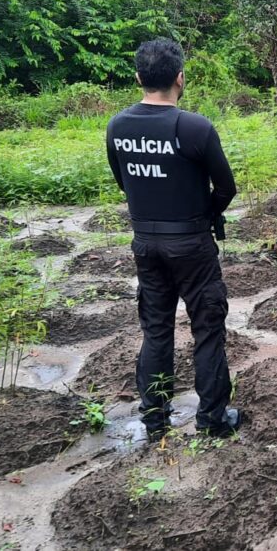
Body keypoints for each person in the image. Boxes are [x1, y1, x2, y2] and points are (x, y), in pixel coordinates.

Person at [106, 38, 242, 440]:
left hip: (146, 243)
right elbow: (227, 187)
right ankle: (213, 418)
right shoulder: (194, 127)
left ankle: (154, 417)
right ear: (180, 78)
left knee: (157, 328)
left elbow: (124, 184)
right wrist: (205, 214)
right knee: (207, 327)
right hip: (192, 245)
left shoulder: (118, 127)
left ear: (138, 78)